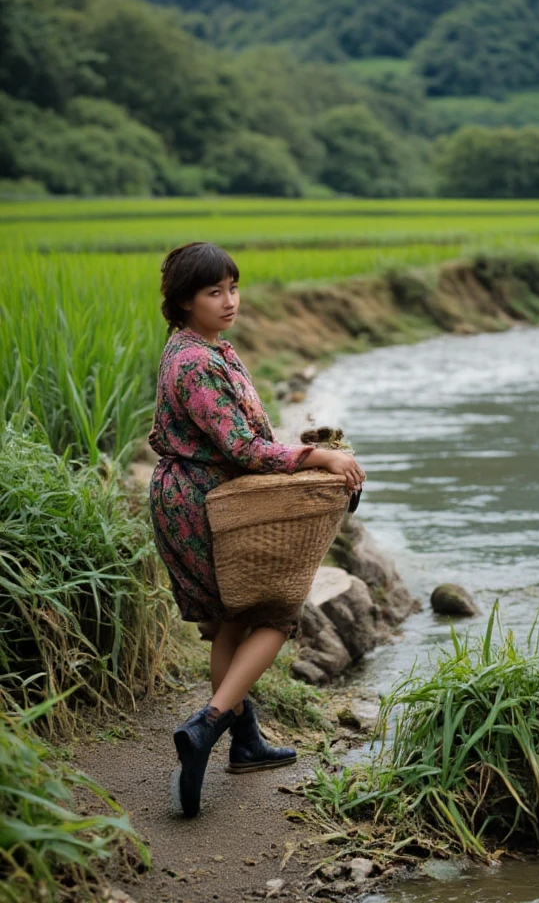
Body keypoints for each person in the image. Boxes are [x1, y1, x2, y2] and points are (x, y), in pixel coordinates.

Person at [148, 241, 365, 818]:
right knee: (273, 614)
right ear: (183, 301)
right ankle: (209, 724)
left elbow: (249, 435)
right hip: (201, 502)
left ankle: (244, 743)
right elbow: (241, 447)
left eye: (233, 288)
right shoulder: (195, 362)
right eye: (213, 292)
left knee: (231, 619)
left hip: (208, 497)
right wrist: (316, 461)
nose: (229, 300)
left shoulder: (210, 348)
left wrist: (305, 447)